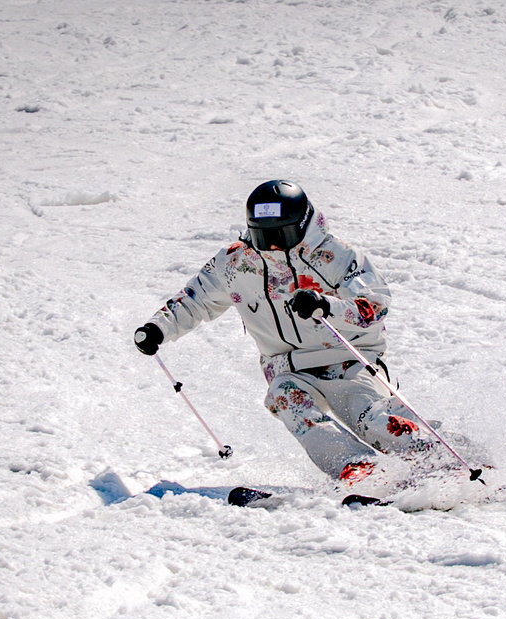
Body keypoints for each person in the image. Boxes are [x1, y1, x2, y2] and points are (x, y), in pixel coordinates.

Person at [133, 180, 451, 492]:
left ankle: (445, 457)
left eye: (280, 235)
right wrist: (158, 328)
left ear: (301, 225)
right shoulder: (234, 262)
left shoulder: (334, 254)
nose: (272, 246)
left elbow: (375, 304)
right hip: (286, 368)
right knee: (285, 398)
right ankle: (359, 468)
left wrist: (326, 306)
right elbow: (195, 298)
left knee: (373, 420)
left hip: (346, 357)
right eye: (262, 236)